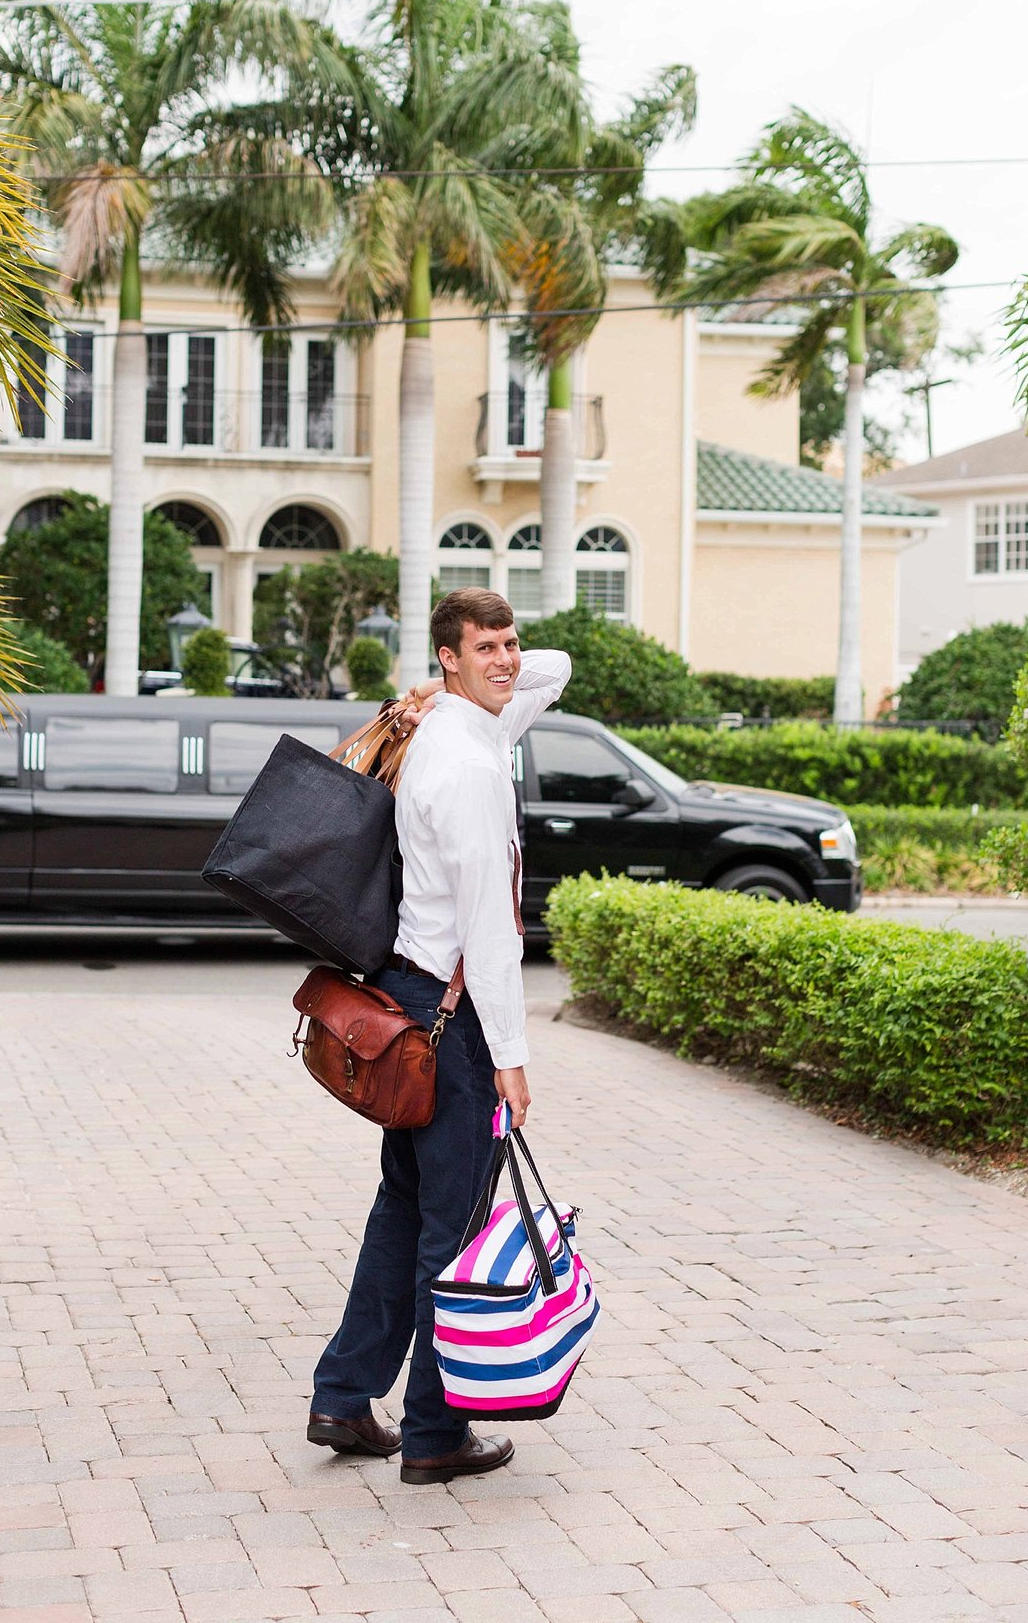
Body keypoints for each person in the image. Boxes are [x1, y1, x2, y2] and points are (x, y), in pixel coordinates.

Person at [305, 587, 570, 1485]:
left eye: (510, 642)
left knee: (405, 1207)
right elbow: (490, 931)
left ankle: (343, 1394)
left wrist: (452, 680)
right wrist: (511, 1057)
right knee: (447, 1231)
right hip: (449, 1021)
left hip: (415, 998)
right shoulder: (464, 764)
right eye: (485, 647)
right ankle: (432, 1433)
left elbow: (557, 670)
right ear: (449, 657)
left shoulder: (465, 727)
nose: (508, 659)